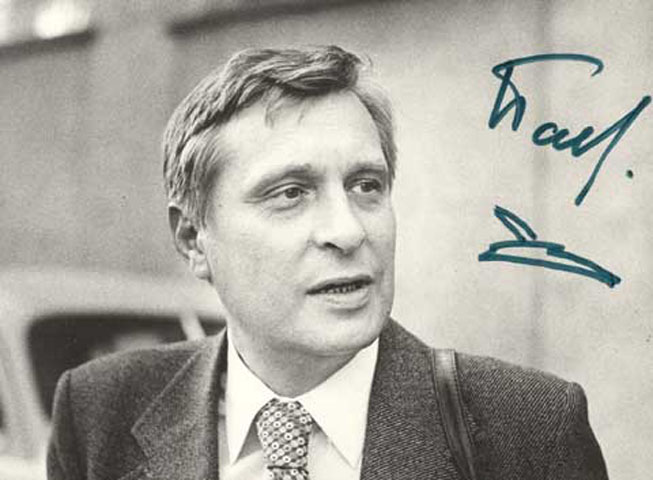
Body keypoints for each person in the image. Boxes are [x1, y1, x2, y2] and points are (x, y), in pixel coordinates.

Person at [47, 46, 609, 480]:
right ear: (193, 238)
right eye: (290, 193)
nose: (348, 230)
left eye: (366, 185)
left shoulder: (528, 430)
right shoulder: (99, 410)